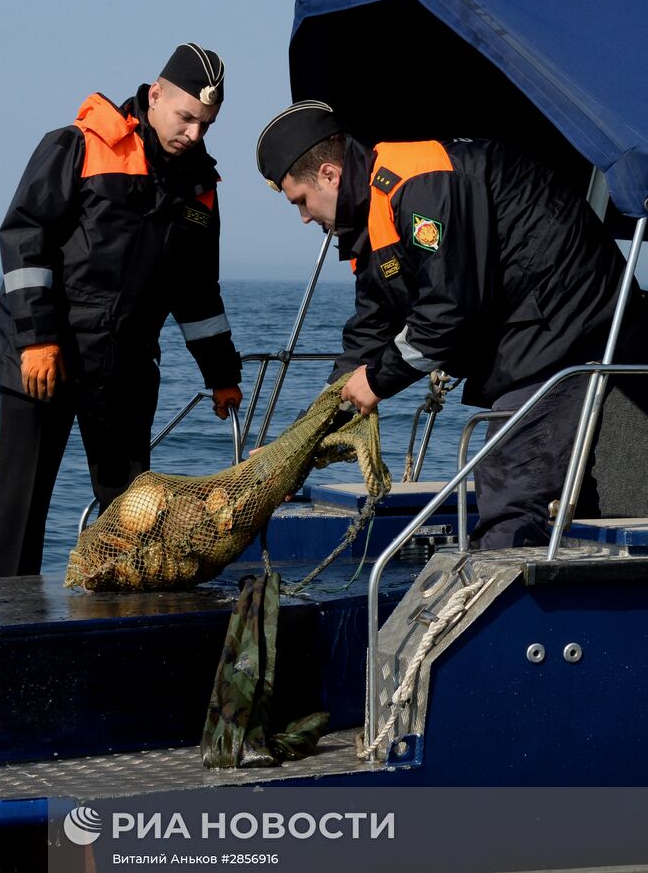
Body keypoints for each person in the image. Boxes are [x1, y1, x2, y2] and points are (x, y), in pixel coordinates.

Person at [255, 100, 645, 549]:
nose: (304, 217)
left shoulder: (419, 184)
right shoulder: (373, 221)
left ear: (329, 175)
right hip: (532, 330)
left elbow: (450, 311)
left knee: (510, 469)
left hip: (570, 318)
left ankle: (501, 595)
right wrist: (294, 451)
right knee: (533, 472)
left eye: (301, 202)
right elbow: (367, 336)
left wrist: (379, 380)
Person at [0, 43, 243, 578]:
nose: (193, 133)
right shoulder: (76, 146)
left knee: (132, 515)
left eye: (206, 124)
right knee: (21, 503)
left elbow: (197, 292)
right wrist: (36, 340)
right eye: (186, 116)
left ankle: (121, 622)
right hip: (44, 355)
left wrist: (221, 374)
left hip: (124, 363)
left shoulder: (201, 191)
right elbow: (25, 240)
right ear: (155, 94)